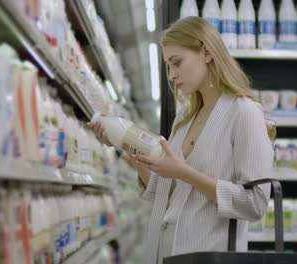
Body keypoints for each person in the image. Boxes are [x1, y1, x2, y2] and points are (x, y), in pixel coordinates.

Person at [88, 16, 276, 263]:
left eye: (177, 63)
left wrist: (185, 172)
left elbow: (255, 203)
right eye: (168, 66)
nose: (172, 75)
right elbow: (167, 194)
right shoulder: (185, 118)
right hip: (166, 254)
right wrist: (128, 148)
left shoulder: (244, 113)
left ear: (206, 53)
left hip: (209, 256)